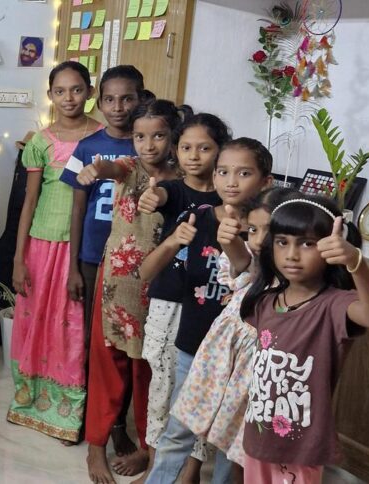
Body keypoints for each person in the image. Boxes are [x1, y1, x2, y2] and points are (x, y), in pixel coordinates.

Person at [143, 137, 274, 484]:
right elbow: (147, 271)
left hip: (249, 356)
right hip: (195, 347)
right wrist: (175, 240)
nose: (231, 181)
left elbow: (248, 271)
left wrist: (236, 240)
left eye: (244, 173)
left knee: (233, 445)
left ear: (266, 181)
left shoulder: (272, 233)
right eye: (223, 171)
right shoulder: (198, 218)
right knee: (179, 431)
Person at [76, 98, 186, 483]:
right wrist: (96, 169)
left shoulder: (183, 178)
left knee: (150, 373)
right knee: (107, 366)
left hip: (160, 291)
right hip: (116, 287)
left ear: (173, 137)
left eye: (158, 136)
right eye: (140, 137)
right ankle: (95, 447)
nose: (148, 145)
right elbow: (111, 167)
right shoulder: (129, 167)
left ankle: (148, 448)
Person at [238, 195, 369, 483]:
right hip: (258, 435)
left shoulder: (334, 304)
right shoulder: (265, 302)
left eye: (307, 244)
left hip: (301, 449)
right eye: (282, 242)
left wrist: (356, 262)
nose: (291, 255)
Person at [169, 187, 298, 481]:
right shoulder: (253, 263)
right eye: (253, 229)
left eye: (271, 231)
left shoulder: (295, 275)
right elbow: (243, 263)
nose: (260, 240)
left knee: (234, 448)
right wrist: (230, 241)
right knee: (179, 430)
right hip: (219, 360)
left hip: (255, 371)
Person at [7, 61, 102, 444]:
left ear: (90, 92)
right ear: (50, 95)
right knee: (35, 322)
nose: (69, 98)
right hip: (41, 245)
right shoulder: (40, 142)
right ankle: (30, 402)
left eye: (77, 89)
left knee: (73, 326)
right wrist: (18, 258)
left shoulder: (101, 138)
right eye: (60, 91)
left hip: (83, 246)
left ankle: (70, 413)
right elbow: (29, 202)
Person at [134, 113, 231, 483]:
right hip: (169, 302)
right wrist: (151, 196)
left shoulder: (228, 198)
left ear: (220, 151)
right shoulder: (173, 189)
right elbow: (159, 194)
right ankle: (157, 466)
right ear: (176, 150)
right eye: (186, 147)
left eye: (204, 148)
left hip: (209, 307)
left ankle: (190, 471)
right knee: (162, 386)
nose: (194, 156)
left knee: (200, 390)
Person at [58, 65, 145, 472]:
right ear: (99, 100)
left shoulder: (148, 144)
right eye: (109, 99)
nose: (118, 107)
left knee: (128, 348)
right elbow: (77, 209)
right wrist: (74, 266)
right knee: (97, 347)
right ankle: (95, 421)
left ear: (140, 99)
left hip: (135, 262)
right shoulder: (88, 147)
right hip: (94, 258)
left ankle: (119, 425)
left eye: (127, 98)